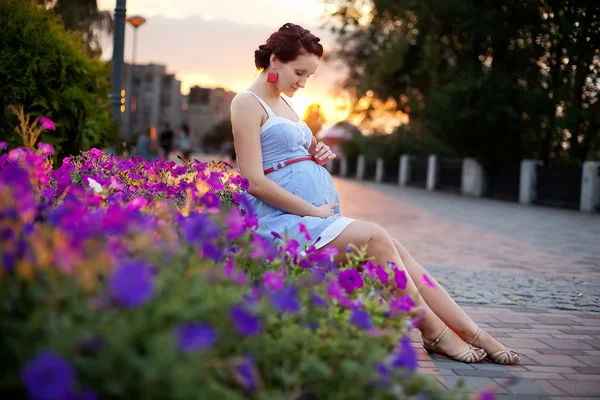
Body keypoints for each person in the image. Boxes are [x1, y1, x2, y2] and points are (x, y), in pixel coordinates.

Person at [230, 23, 520, 365]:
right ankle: (433, 332)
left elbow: (302, 148)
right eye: (300, 72)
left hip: (314, 218)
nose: (304, 82)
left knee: (399, 252)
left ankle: (471, 331)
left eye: (309, 76)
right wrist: (314, 211)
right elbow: (253, 180)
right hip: (282, 223)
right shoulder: (246, 103)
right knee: (376, 236)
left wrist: (319, 151)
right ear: (275, 60)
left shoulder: (287, 104)